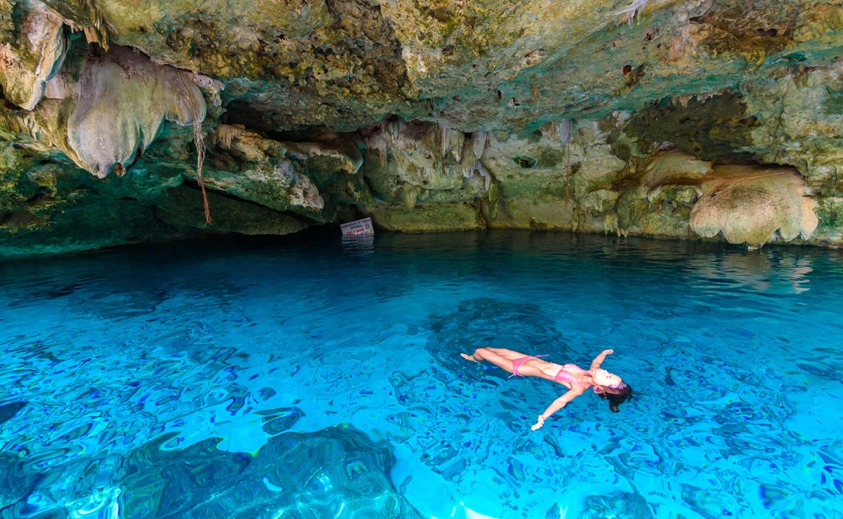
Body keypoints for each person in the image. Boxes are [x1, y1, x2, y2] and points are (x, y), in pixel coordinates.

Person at [460, 347, 632, 430]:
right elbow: (597, 362)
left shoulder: (579, 387)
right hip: (527, 358)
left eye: (608, 376)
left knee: (481, 351)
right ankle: (476, 357)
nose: (606, 371)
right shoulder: (592, 372)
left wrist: (543, 417)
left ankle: (474, 359)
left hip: (519, 368)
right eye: (610, 372)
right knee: (492, 349)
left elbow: (561, 401)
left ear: (602, 388)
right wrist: (605, 353)